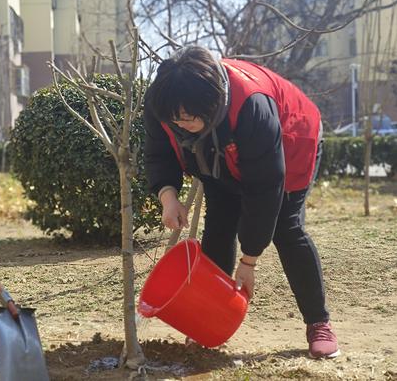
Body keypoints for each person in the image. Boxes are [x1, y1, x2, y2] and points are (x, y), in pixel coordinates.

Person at [144, 47, 339, 359]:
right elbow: (158, 151)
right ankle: (211, 315)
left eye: (187, 119)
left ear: (211, 104)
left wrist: (249, 261)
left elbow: (264, 186)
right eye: (174, 119)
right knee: (219, 225)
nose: (179, 125)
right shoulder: (163, 100)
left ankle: (319, 322)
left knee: (285, 229)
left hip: (289, 145)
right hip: (219, 155)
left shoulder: (252, 104)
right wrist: (168, 197)